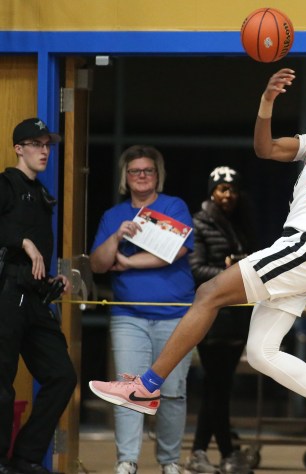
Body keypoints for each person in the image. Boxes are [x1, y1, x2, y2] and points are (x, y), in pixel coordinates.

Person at [90, 68, 306, 466]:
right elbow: (265, 148)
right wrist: (267, 101)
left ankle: (147, 386)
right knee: (260, 352)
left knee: (207, 294)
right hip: (299, 250)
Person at [89, 145, 195, 474]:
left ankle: (169, 463)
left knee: (174, 393)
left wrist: (128, 261)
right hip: (128, 316)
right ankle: (127, 461)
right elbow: (98, 264)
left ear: (157, 175)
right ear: (126, 177)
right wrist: (117, 238)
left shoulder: (174, 206)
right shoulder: (114, 216)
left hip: (176, 315)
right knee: (126, 391)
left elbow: (175, 251)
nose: (142, 176)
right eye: (135, 171)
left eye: (148, 170)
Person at [0, 118, 76, 474]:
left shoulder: (42, 194)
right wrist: (22, 241)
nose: (44, 151)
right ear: (19, 148)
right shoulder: (6, 184)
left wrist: (52, 279)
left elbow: (38, 260)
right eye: (36, 144)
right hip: (7, 294)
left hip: (35, 298)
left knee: (62, 375)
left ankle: (26, 456)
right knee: (2, 383)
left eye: (47, 144)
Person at [185, 166, 255, 474]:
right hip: (212, 318)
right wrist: (231, 274)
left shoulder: (238, 224)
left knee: (221, 388)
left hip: (237, 316)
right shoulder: (199, 223)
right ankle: (218, 453)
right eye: (222, 190)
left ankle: (212, 453)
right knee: (216, 387)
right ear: (211, 191)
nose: (228, 196)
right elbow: (196, 269)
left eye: (233, 190)